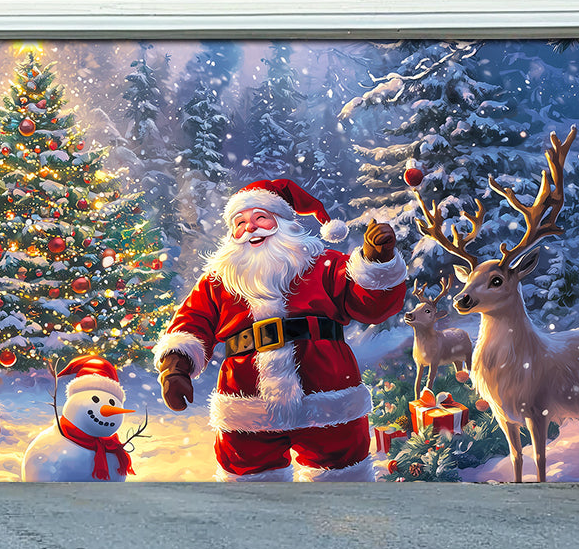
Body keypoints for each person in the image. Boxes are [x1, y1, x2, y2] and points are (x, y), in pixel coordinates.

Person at [152, 178, 406, 480]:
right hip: (248, 402)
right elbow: (193, 321)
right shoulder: (220, 279)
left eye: (261, 218)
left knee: (342, 478)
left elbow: (372, 306)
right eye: (241, 222)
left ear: (283, 222)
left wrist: (377, 261)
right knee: (250, 483)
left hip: (328, 396)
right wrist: (175, 368)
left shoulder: (324, 264)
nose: (251, 227)